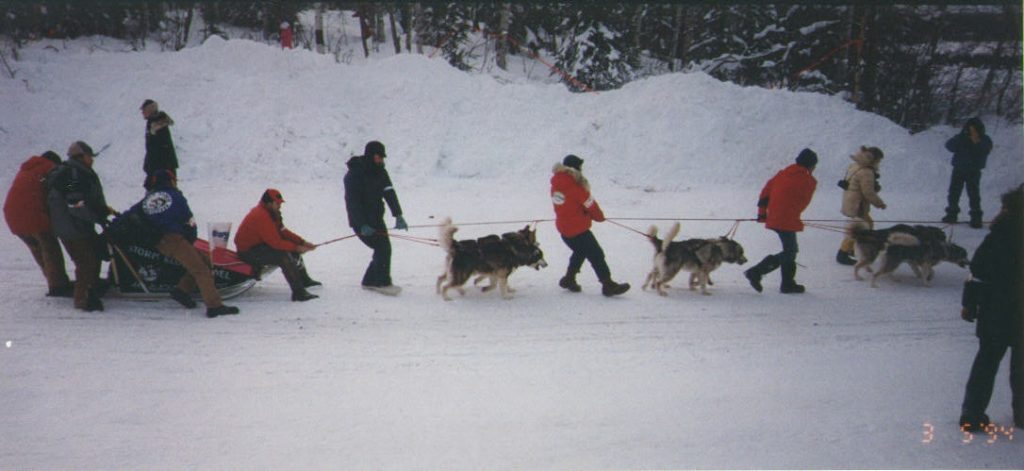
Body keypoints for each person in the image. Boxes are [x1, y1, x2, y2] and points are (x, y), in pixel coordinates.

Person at [958, 184, 1023, 431]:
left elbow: (978, 271)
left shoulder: (999, 233)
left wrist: (969, 304)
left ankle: (971, 415)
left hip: (995, 310)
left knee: (985, 364)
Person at [134, 170, 239, 318]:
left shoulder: (148, 199)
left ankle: (182, 291)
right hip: (174, 239)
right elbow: (189, 221)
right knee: (202, 270)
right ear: (171, 181)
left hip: (159, 241)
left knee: (203, 261)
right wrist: (190, 238)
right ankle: (214, 306)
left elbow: (130, 214)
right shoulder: (176, 196)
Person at [550, 154, 629, 297]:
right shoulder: (577, 187)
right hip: (578, 229)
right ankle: (608, 284)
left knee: (580, 251)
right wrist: (599, 217)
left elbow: (565, 205)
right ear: (575, 169)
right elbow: (591, 206)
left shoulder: (556, 185)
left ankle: (569, 279)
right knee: (596, 254)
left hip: (564, 229)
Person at [46, 141, 112, 311]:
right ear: (81, 156)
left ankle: (92, 287)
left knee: (95, 251)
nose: (92, 160)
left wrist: (101, 210)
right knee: (85, 261)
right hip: (72, 228)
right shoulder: (72, 175)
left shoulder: (76, 172)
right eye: (90, 157)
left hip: (76, 225)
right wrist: (96, 217)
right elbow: (75, 203)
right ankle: (82, 299)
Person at [744, 148, 819, 294]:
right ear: (811, 165)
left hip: (775, 217)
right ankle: (757, 272)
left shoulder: (782, 173)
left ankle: (788, 284)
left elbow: (766, 192)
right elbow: (801, 203)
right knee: (790, 252)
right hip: (786, 220)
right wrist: (794, 218)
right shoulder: (808, 181)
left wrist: (762, 214)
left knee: (789, 250)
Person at [4, 151, 73, 297]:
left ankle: (54, 281)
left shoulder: (27, 169)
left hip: (12, 217)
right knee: (50, 249)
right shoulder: (49, 167)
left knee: (38, 249)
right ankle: (58, 286)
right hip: (33, 216)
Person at [343, 140, 408, 295]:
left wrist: (398, 214)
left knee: (383, 248)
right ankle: (381, 283)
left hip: (377, 218)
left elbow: (389, 192)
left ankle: (370, 281)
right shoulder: (354, 174)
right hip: (361, 221)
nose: (382, 160)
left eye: (382, 157)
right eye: (379, 157)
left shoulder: (380, 171)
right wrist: (361, 224)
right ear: (371, 155)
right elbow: (353, 203)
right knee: (382, 248)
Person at [235, 188, 320, 302]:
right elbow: (275, 243)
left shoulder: (272, 213)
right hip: (248, 252)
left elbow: (283, 232)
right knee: (283, 255)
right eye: (278, 203)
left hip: (260, 246)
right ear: (269, 203)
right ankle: (299, 293)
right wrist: (297, 248)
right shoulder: (261, 216)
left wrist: (302, 242)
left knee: (290, 248)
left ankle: (304, 280)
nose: (280, 206)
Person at [836, 146, 887, 265]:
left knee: (866, 225)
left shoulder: (855, 165)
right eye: (879, 160)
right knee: (858, 229)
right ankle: (843, 253)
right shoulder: (866, 172)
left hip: (850, 201)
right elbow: (868, 192)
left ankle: (854, 250)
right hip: (858, 205)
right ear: (873, 160)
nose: (879, 163)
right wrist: (880, 203)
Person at [942, 117, 993, 229]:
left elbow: (986, 149)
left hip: (973, 170)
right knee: (954, 193)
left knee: (973, 194)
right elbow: (949, 146)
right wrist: (962, 137)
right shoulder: (962, 138)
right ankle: (952, 214)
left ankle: (976, 218)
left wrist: (977, 141)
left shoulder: (984, 139)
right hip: (959, 169)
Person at [141, 99, 179, 190]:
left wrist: (153, 168)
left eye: (144, 110)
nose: (142, 112)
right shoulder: (154, 122)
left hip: (162, 169)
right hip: (161, 167)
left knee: (163, 192)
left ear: (149, 110)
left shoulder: (156, 122)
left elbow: (157, 148)